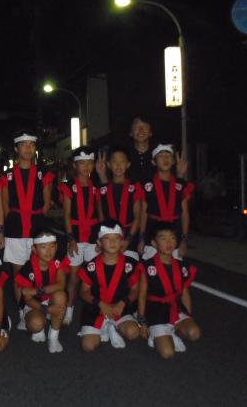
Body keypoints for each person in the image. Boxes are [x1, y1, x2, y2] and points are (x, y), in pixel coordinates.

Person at [0, 131, 54, 330]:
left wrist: (36, 218)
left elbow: (47, 203)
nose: (28, 148)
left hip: (37, 227)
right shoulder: (7, 175)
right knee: (19, 274)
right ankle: (24, 311)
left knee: (40, 269)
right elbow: (5, 205)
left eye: (31, 144)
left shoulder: (43, 173)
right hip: (15, 228)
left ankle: (41, 308)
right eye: (23, 145)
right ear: (17, 149)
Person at [137, 222, 201, 358]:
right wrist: (142, 323)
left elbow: (184, 293)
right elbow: (142, 296)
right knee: (167, 353)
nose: (169, 242)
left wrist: (188, 316)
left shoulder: (182, 266)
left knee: (194, 333)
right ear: (154, 243)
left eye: (172, 238)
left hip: (175, 307)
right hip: (155, 310)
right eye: (163, 238)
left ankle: (172, 330)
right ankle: (156, 335)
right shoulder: (147, 266)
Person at [57, 146, 103, 325]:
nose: (86, 166)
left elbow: (100, 214)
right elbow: (67, 215)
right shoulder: (69, 187)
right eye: (82, 163)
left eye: (89, 163)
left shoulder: (96, 187)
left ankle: (98, 311)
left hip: (93, 236)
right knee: (74, 277)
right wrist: (71, 239)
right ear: (75, 166)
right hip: (76, 235)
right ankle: (69, 309)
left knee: (95, 275)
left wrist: (101, 238)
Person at [77, 220, 140, 351]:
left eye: (117, 238)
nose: (112, 242)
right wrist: (100, 304)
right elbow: (83, 292)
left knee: (133, 333)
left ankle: (113, 326)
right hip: (96, 307)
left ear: (122, 241)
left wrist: (123, 303)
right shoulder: (91, 266)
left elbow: (135, 290)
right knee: (88, 346)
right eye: (107, 238)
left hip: (120, 307)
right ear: (99, 243)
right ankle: (106, 326)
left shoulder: (130, 264)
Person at [14, 230, 69, 353]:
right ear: (34, 249)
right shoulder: (27, 269)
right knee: (36, 324)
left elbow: (61, 285)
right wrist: (47, 309)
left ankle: (53, 337)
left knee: (61, 295)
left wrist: (36, 291)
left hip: (50, 297)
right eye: (43, 247)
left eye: (52, 246)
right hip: (34, 303)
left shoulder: (59, 259)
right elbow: (28, 299)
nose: (48, 251)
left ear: (56, 247)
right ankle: (34, 318)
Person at [139, 144, 195, 260]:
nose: (165, 159)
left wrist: (184, 240)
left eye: (168, 156)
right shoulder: (146, 185)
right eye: (161, 156)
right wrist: (141, 238)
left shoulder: (181, 185)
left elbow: (185, 213)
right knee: (151, 267)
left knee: (173, 268)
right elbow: (144, 212)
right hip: (152, 234)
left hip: (174, 234)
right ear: (153, 162)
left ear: (173, 161)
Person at [97, 145, 144, 261]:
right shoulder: (102, 189)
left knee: (130, 269)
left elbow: (137, 217)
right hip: (109, 239)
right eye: (115, 162)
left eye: (122, 162)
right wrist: (102, 239)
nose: (118, 165)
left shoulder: (135, 187)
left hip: (129, 238)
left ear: (128, 164)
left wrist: (127, 241)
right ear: (109, 164)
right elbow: (101, 218)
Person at [126, 116, 187, 184]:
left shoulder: (160, 153)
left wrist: (179, 174)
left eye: (145, 126)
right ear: (130, 132)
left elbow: (173, 183)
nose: (141, 130)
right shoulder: (124, 155)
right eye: (136, 126)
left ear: (150, 132)